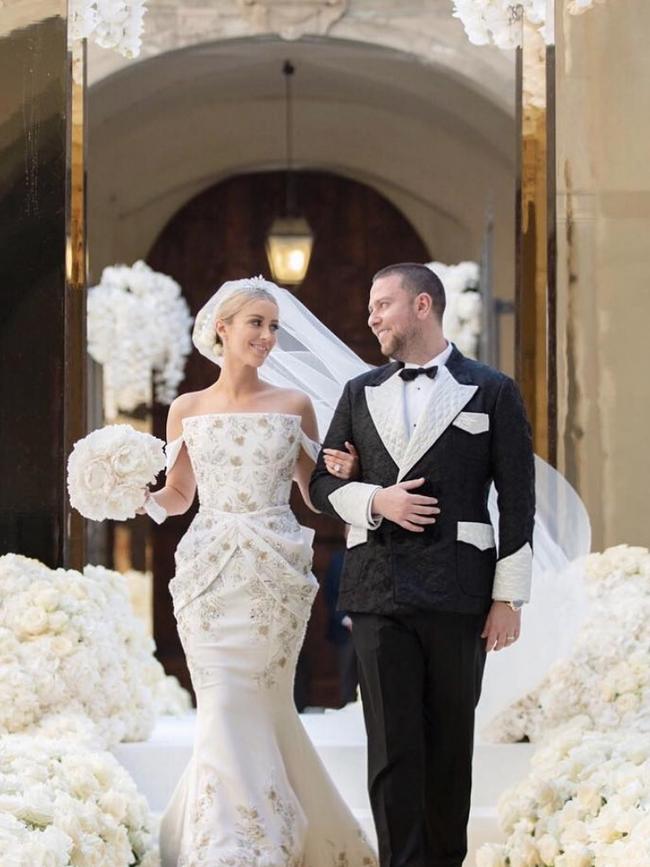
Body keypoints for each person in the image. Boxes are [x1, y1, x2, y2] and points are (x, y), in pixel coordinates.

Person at [144, 277, 377, 866]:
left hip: (274, 569)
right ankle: (230, 843)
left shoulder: (292, 405)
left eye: (274, 326)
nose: (269, 337)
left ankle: (251, 841)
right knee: (220, 702)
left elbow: (315, 495)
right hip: (208, 571)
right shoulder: (186, 410)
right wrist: (133, 493)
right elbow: (178, 495)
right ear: (222, 327)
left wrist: (344, 476)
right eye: (257, 324)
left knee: (262, 702)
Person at [309, 263, 536, 867]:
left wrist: (507, 598)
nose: (372, 317)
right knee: (390, 749)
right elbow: (317, 485)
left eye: (382, 304)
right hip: (377, 590)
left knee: (449, 746)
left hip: (461, 593)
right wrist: (375, 499)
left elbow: (518, 499)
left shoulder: (492, 390)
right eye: (370, 308)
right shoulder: (359, 392)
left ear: (423, 306)